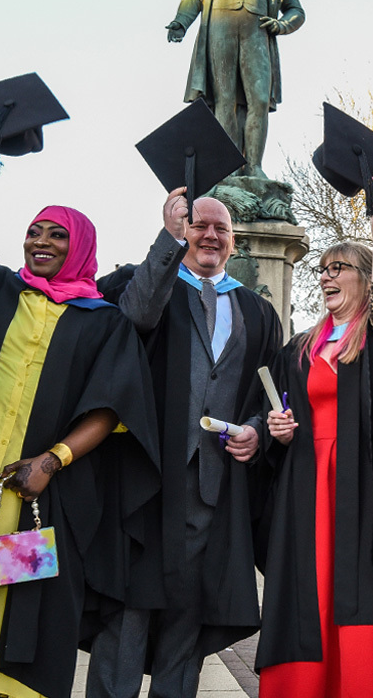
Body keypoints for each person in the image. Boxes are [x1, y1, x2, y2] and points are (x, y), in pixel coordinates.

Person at [0, 96, 159, 698]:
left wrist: (52, 461)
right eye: (33, 232)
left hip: (36, 490)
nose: (39, 242)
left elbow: (111, 407)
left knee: (19, 606)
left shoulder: (102, 320)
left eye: (55, 234)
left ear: (80, 246)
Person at [87, 190, 282, 698]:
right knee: (129, 608)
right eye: (199, 226)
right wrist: (168, 240)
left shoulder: (257, 312)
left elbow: (271, 390)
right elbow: (134, 318)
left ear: (234, 240)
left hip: (211, 488)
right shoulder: (152, 283)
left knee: (187, 612)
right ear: (183, 231)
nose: (210, 235)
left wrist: (258, 431)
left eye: (221, 228)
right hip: (147, 479)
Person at [255, 176, 373, 697]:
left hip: (361, 486)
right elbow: (282, 414)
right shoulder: (300, 347)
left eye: (338, 267)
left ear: (364, 277)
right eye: (322, 268)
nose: (325, 276)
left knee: (357, 590)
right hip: (306, 484)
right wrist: (278, 428)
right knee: (306, 591)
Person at [166, 0, 305, 179]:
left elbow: (296, 10)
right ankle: (227, 168)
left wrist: (280, 25)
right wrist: (181, 21)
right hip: (220, 29)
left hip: (257, 33)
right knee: (224, 100)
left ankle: (254, 166)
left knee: (258, 100)